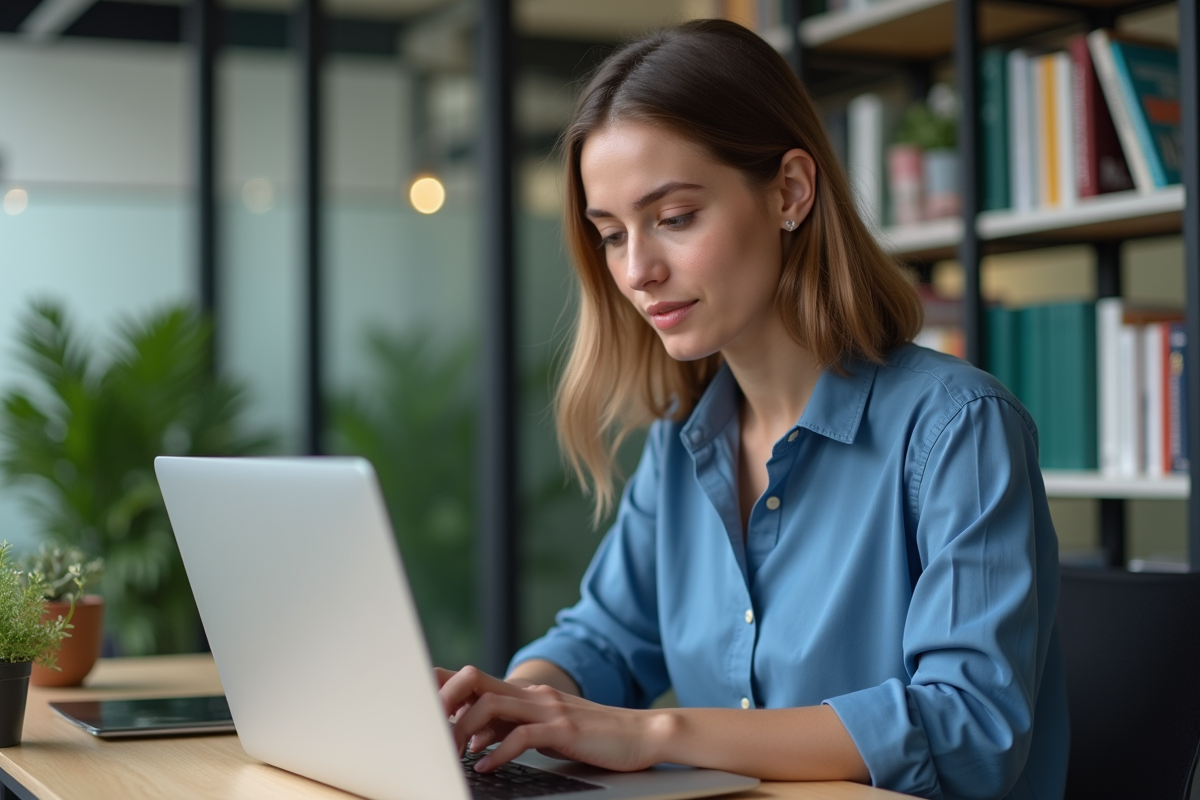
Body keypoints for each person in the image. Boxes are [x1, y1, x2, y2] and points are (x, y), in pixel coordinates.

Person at [438, 18, 1067, 800]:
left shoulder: (957, 430)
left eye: (673, 218)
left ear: (790, 192)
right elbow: (603, 640)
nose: (636, 271)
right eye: (610, 234)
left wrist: (653, 733)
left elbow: (968, 727)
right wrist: (505, 708)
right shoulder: (682, 441)